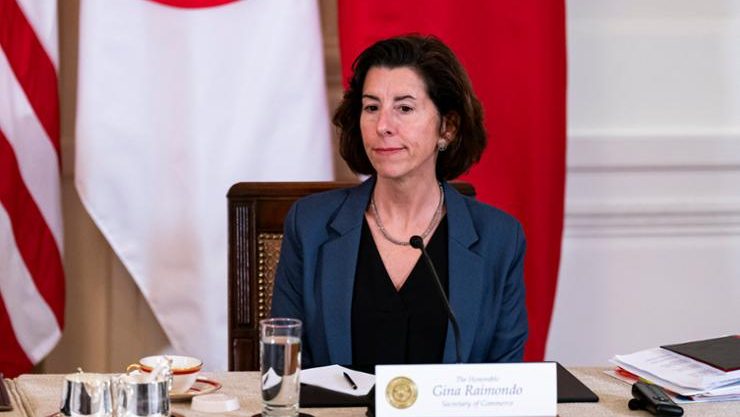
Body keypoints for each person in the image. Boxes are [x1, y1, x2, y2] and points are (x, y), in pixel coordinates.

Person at [271, 34, 527, 369]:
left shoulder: (499, 238)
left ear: (447, 128)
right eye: (371, 107)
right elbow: (285, 366)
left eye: (404, 108)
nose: (383, 126)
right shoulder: (310, 225)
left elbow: (504, 378)